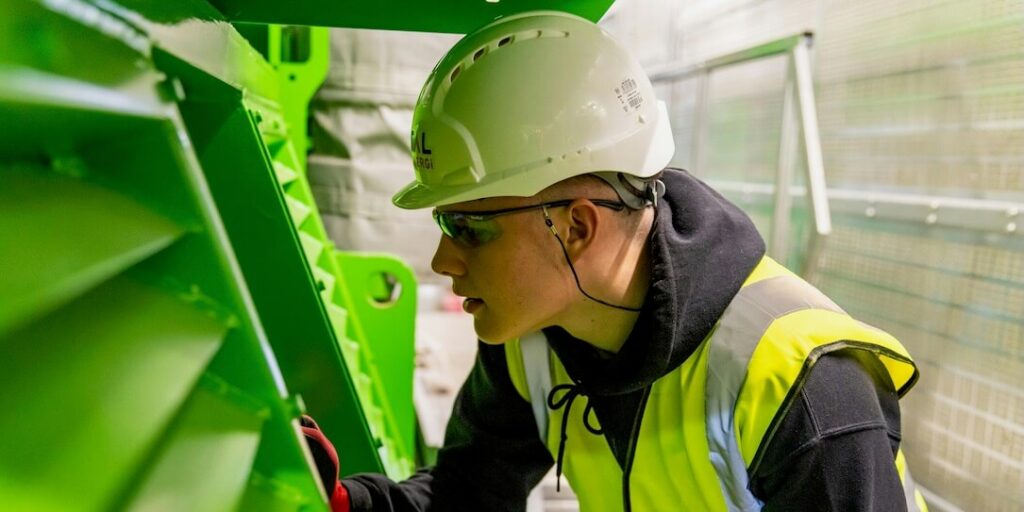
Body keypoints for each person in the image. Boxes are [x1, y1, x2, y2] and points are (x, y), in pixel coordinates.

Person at [301, 10, 928, 512]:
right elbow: (467, 496)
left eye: (468, 227)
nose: (443, 260)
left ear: (577, 225)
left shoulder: (800, 386)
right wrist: (345, 502)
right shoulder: (532, 343)